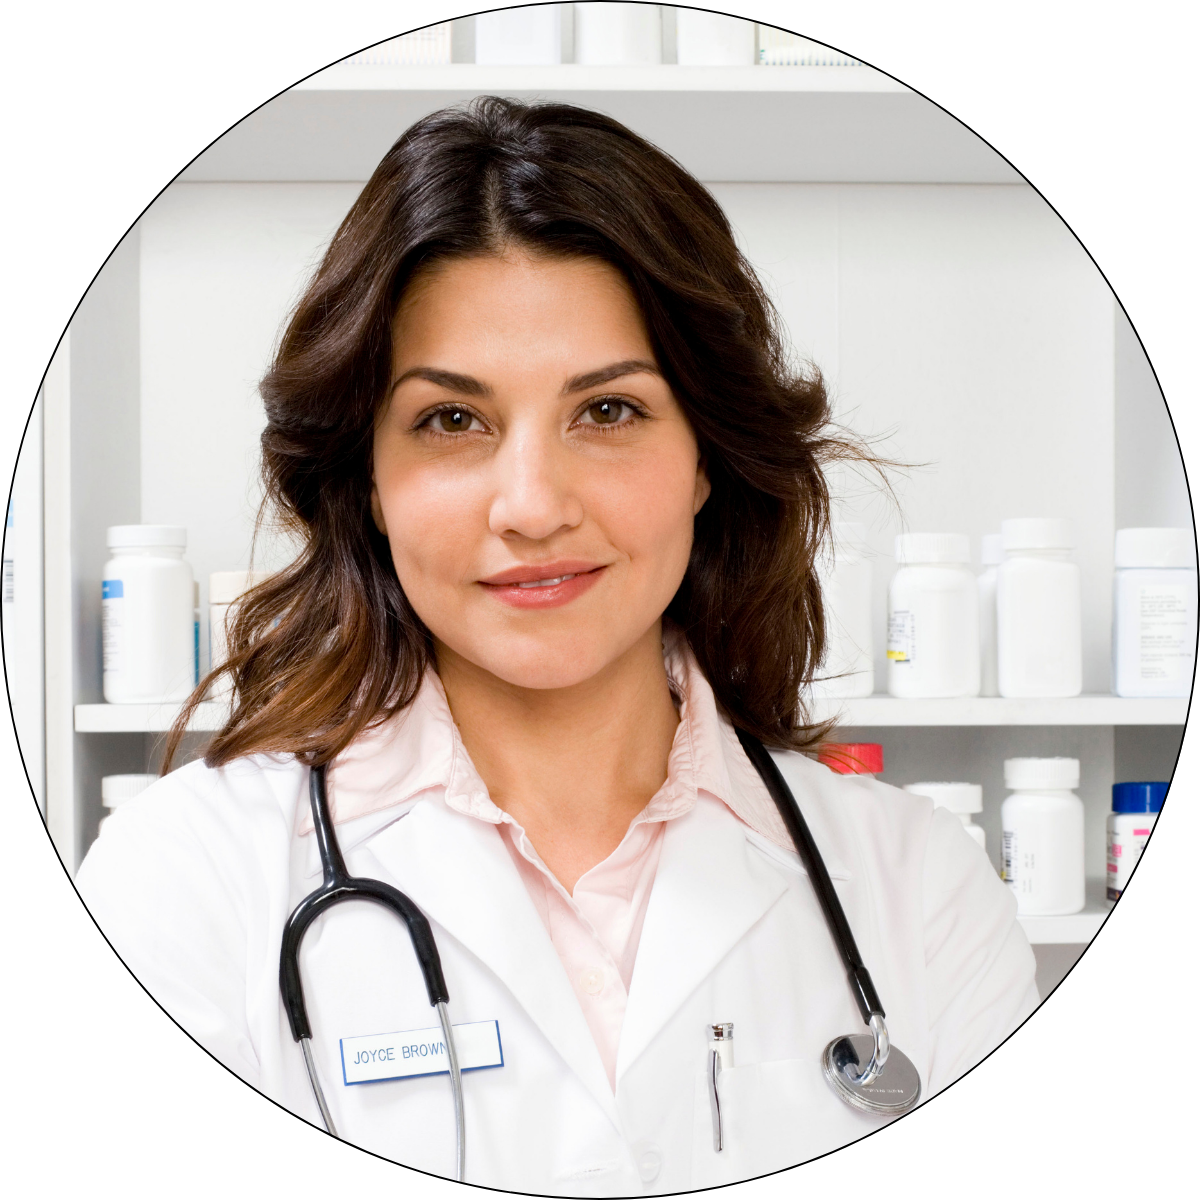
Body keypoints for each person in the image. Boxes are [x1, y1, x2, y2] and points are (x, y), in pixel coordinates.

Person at [76, 97, 1037, 1190]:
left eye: (609, 412)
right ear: (368, 483)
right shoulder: (183, 883)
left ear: (707, 457)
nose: (532, 506)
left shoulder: (922, 886)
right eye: (451, 420)